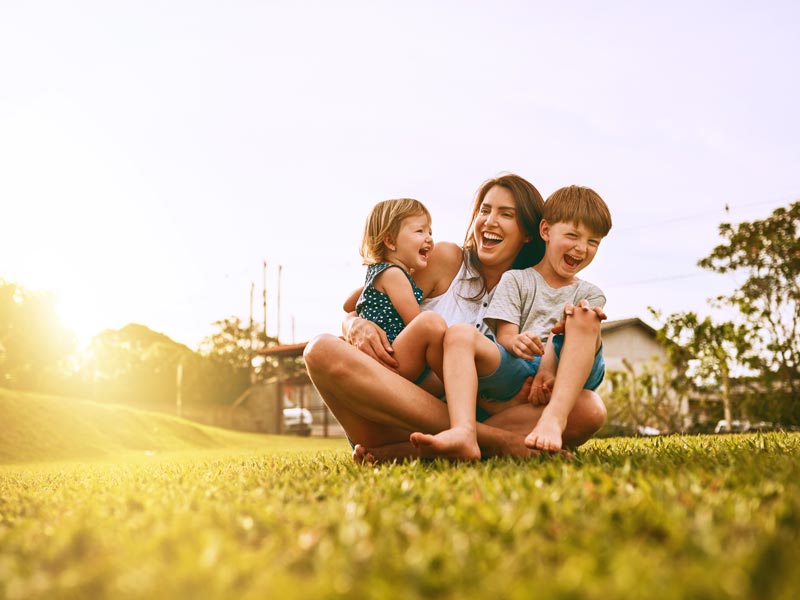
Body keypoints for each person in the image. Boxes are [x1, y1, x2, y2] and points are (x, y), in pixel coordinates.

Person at [303, 174, 608, 462]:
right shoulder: (446, 259)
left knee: (589, 408)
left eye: (505, 214)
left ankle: (423, 447)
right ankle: (495, 442)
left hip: (482, 415)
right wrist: (355, 324)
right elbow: (371, 296)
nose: (489, 221)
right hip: (391, 411)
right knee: (320, 349)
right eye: (484, 210)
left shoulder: (536, 290)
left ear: (529, 233)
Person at [410, 185, 611, 459]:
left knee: (582, 317)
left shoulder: (589, 293)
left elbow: (570, 338)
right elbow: (505, 335)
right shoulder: (516, 279)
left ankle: (553, 419)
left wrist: (549, 368)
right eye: (573, 236)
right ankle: (463, 431)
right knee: (459, 334)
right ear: (545, 231)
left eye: (592, 242)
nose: (581, 248)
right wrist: (515, 341)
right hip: (521, 366)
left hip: (570, 369)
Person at [354, 198, 446, 396]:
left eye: (430, 231)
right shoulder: (395, 274)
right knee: (431, 323)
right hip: (392, 358)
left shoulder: (377, 272)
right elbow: (416, 321)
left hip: (386, 360)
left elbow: (349, 305)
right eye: (420, 231)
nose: (429, 238)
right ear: (390, 241)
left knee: (447, 387)